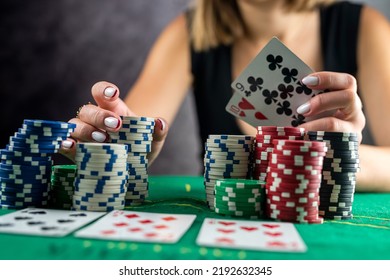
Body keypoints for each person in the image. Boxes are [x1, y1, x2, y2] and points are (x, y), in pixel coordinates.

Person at [61, 0, 390, 192]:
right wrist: (115, 146)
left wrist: (345, 159)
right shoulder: (187, 34)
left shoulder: (364, 28)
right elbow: (130, 138)